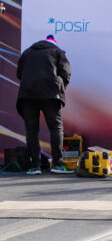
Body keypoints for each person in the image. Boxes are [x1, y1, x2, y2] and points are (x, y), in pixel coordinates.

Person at [17, 36, 72, 174]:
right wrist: (60, 86)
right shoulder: (57, 52)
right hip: (51, 94)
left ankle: (35, 166)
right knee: (55, 127)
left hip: (28, 95)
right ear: (53, 43)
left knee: (31, 130)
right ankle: (57, 165)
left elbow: (19, 74)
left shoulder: (27, 52)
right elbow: (66, 73)